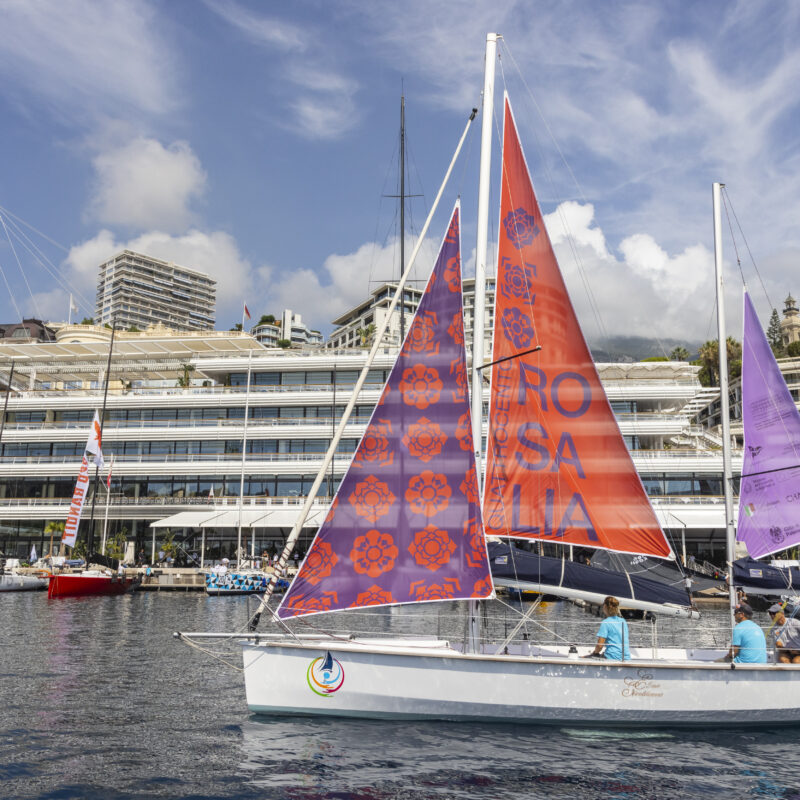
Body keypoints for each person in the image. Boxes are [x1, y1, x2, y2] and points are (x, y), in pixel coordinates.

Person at [583, 596, 630, 661]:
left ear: (605, 606)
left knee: (586, 658)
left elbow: (600, 646)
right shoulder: (623, 621)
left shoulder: (605, 623)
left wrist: (595, 653)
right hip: (626, 657)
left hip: (612, 657)